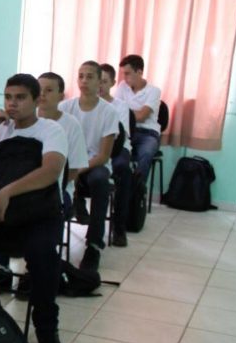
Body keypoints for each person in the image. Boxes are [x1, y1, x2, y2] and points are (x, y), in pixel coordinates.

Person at [0, 74, 67, 343]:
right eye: (8, 97)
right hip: (0, 217)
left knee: (43, 255)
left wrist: (7, 192)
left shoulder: (50, 130)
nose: (12, 103)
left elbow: (51, 171)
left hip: (39, 215)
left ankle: (47, 329)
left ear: (37, 100)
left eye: (20, 98)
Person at [60, 61, 117, 269]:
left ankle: (93, 244)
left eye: (90, 77)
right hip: (69, 163)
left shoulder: (109, 111)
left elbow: (103, 156)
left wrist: (77, 169)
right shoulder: (65, 107)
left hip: (93, 165)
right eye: (81, 76)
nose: (84, 81)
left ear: (100, 82)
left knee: (100, 181)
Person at [99, 63, 132, 246]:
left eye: (104, 81)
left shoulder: (120, 106)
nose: (100, 86)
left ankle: (119, 228)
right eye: (98, 81)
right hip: (93, 148)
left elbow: (120, 134)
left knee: (122, 169)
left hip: (117, 147)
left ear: (112, 83)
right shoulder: (83, 104)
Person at [115, 54, 162, 184]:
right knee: (113, 151)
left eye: (127, 73)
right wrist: (129, 112)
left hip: (148, 134)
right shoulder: (122, 86)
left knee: (146, 154)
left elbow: (142, 116)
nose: (124, 78)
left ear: (139, 72)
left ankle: (137, 190)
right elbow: (115, 111)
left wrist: (124, 111)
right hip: (127, 131)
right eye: (123, 74)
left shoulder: (154, 91)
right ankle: (121, 188)